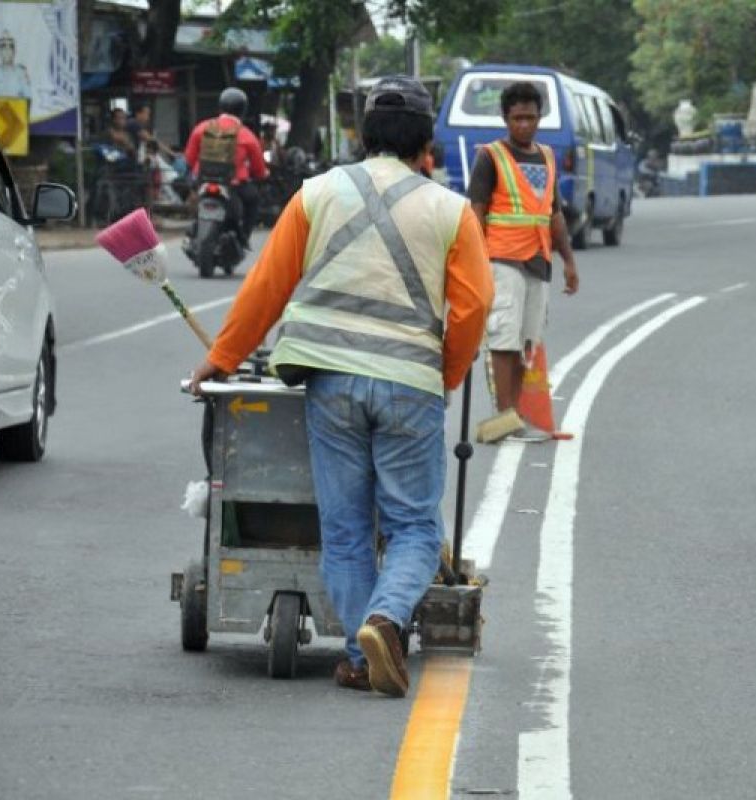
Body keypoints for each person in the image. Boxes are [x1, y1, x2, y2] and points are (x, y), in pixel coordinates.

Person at [187, 76, 493, 698]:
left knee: (347, 526)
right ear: (427, 141)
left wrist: (220, 360)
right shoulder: (451, 211)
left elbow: (265, 291)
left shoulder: (317, 194)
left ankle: (359, 654)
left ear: (362, 134)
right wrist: (448, 374)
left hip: (328, 382)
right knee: (412, 527)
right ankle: (385, 620)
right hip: (410, 384)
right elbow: (474, 307)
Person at [467, 81, 579, 442]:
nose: (524, 125)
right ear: (505, 118)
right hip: (501, 259)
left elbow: (554, 213)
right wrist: (473, 262)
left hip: (538, 259)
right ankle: (503, 417)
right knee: (503, 339)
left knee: (527, 343)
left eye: (530, 118)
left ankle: (513, 416)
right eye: (517, 118)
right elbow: (476, 212)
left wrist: (569, 261)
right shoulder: (490, 157)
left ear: (539, 118)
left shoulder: (546, 157)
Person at [184, 87, 268, 248]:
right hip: (234, 185)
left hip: (202, 181)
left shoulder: (202, 128)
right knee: (253, 200)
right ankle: (244, 237)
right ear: (243, 110)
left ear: (220, 106)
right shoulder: (246, 135)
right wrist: (263, 174)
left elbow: (188, 159)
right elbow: (259, 170)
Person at [0, 30, 30, 99]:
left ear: (14, 51)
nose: (7, 50)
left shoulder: (21, 73)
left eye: (11, 46)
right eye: (3, 46)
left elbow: (28, 98)